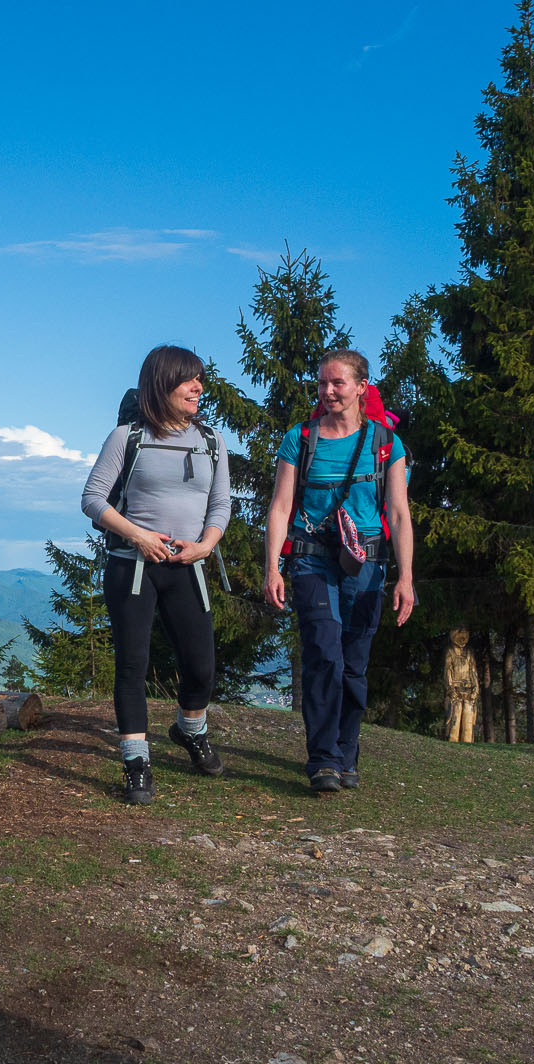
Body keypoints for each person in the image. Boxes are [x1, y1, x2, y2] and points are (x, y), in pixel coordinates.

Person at [81, 345, 233, 805]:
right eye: (188, 380)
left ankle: (191, 730)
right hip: (133, 569)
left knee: (201, 666)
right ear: (160, 384)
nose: (198, 387)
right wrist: (138, 537)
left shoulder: (212, 441)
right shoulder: (127, 436)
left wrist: (205, 545)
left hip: (189, 568)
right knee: (132, 664)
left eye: (199, 380)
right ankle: (135, 761)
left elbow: (220, 505)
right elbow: (92, 498)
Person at [261, 348, 416, 793]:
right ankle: (323, 759)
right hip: (310, 557)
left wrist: (406, 577)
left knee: (354, 664)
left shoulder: (386, 442)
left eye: (338, 383)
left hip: (367, 561)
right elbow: (280, 505)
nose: (328, 391)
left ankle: (348, 755)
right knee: (324, 652)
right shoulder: (300, 438)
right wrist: (272, 567)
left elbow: (400, 514)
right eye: (322, 383)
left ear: (361, 388)